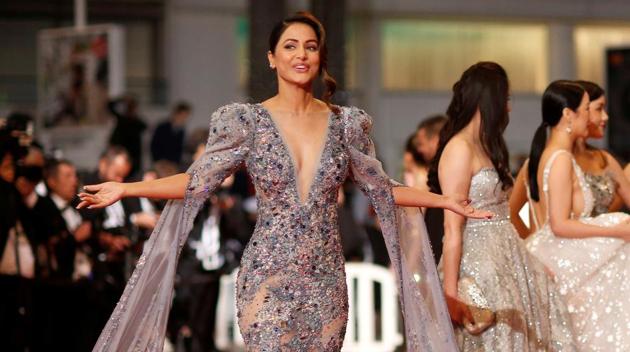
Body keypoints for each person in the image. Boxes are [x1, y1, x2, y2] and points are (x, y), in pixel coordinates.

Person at [80, 12, 492, 352]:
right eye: (290, 46)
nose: (301, 55)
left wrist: (445, 201)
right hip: (267, 274)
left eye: (310, 47)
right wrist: (126, 188)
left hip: (326, 278)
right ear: (271, 58)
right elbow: (194, 183)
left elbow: (384, 189)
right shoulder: (246, 122)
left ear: (320, 57)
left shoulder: (345, 124)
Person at [428, 62, 575, 351]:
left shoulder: (486, 145)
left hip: (505, 260)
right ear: (490, 99)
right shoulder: (459, 148)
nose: (509, 107)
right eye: (506, 98)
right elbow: (452, 227)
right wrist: (451, 294)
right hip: (478, 264)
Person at [523, 80, 630, 351]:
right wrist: (614, 231)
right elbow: (558, 224)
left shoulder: (559, 156)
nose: (590, 117)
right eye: (586, 110)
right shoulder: (559, 158)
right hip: (560, 251)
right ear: (569, 115)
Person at [511, 80, 630, 237]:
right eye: (595, 108)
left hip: (588, 247)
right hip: (567, 249)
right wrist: (533, 246)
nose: (605, 117)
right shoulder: (556, 159)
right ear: (569, 113)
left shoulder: (602, 159)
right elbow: (557, 225)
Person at [150, 102, 192, 166]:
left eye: (186, 116)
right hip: (160, 163)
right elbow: (155, 145)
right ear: (176, 114)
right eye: (183, 115)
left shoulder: (182, 130)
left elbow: (179, 149)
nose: (185, 118)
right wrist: (158, 161)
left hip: (174, 164)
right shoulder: (162, 127)